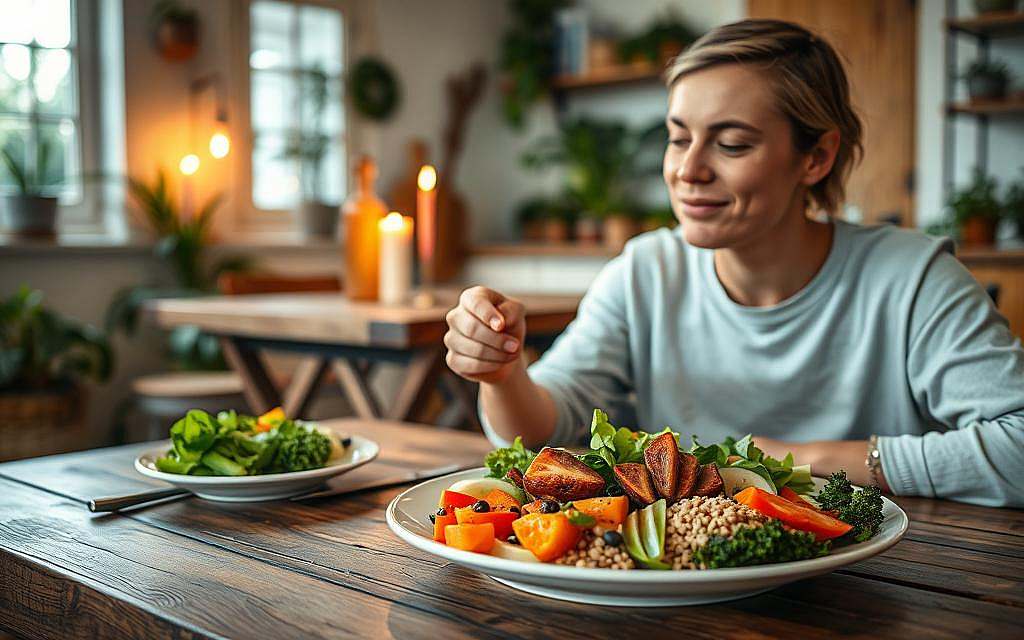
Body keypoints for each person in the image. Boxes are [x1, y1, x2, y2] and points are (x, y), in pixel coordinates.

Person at [443, 20, 1024, 507]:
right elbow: (548, 427)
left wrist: (815, 461)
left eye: (732, 144)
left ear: (816, 156)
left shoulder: (914, 279)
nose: (687, 170)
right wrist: (503, 375)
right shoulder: (645, 273)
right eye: (677, 139)